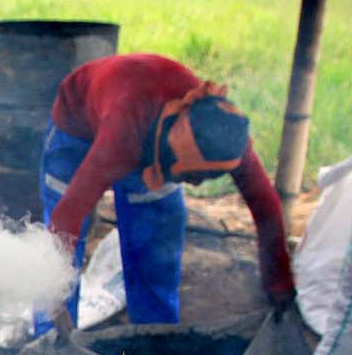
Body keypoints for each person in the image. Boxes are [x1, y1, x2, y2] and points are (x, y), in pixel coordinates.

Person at [37, 53, 296, 336]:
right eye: (189, 177)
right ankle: (50, 342)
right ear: (166, 155)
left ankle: (154, 336)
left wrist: (279, 281)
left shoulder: (228, 136)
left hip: (139, 120)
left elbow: (266, 206)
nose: (195, 186)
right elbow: (67, 215)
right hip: (77, 124)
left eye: (203, 178)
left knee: (156, 237)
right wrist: (56, 302)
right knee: (60, 244)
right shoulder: (120, 140)